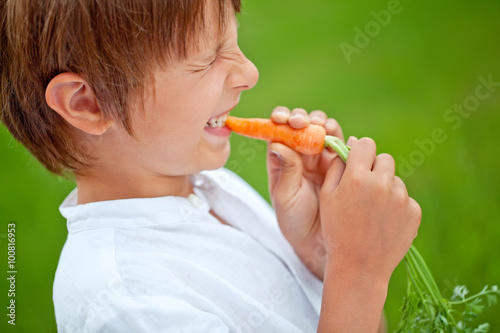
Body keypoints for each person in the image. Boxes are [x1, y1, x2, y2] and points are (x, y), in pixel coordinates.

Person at [0, 0, 421, 332]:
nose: (249, 73)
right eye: (207, 58)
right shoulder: (128, 303)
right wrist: (358, 274)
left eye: (235, 42)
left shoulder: (209, 184)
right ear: (87, 103)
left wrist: (323, 257)